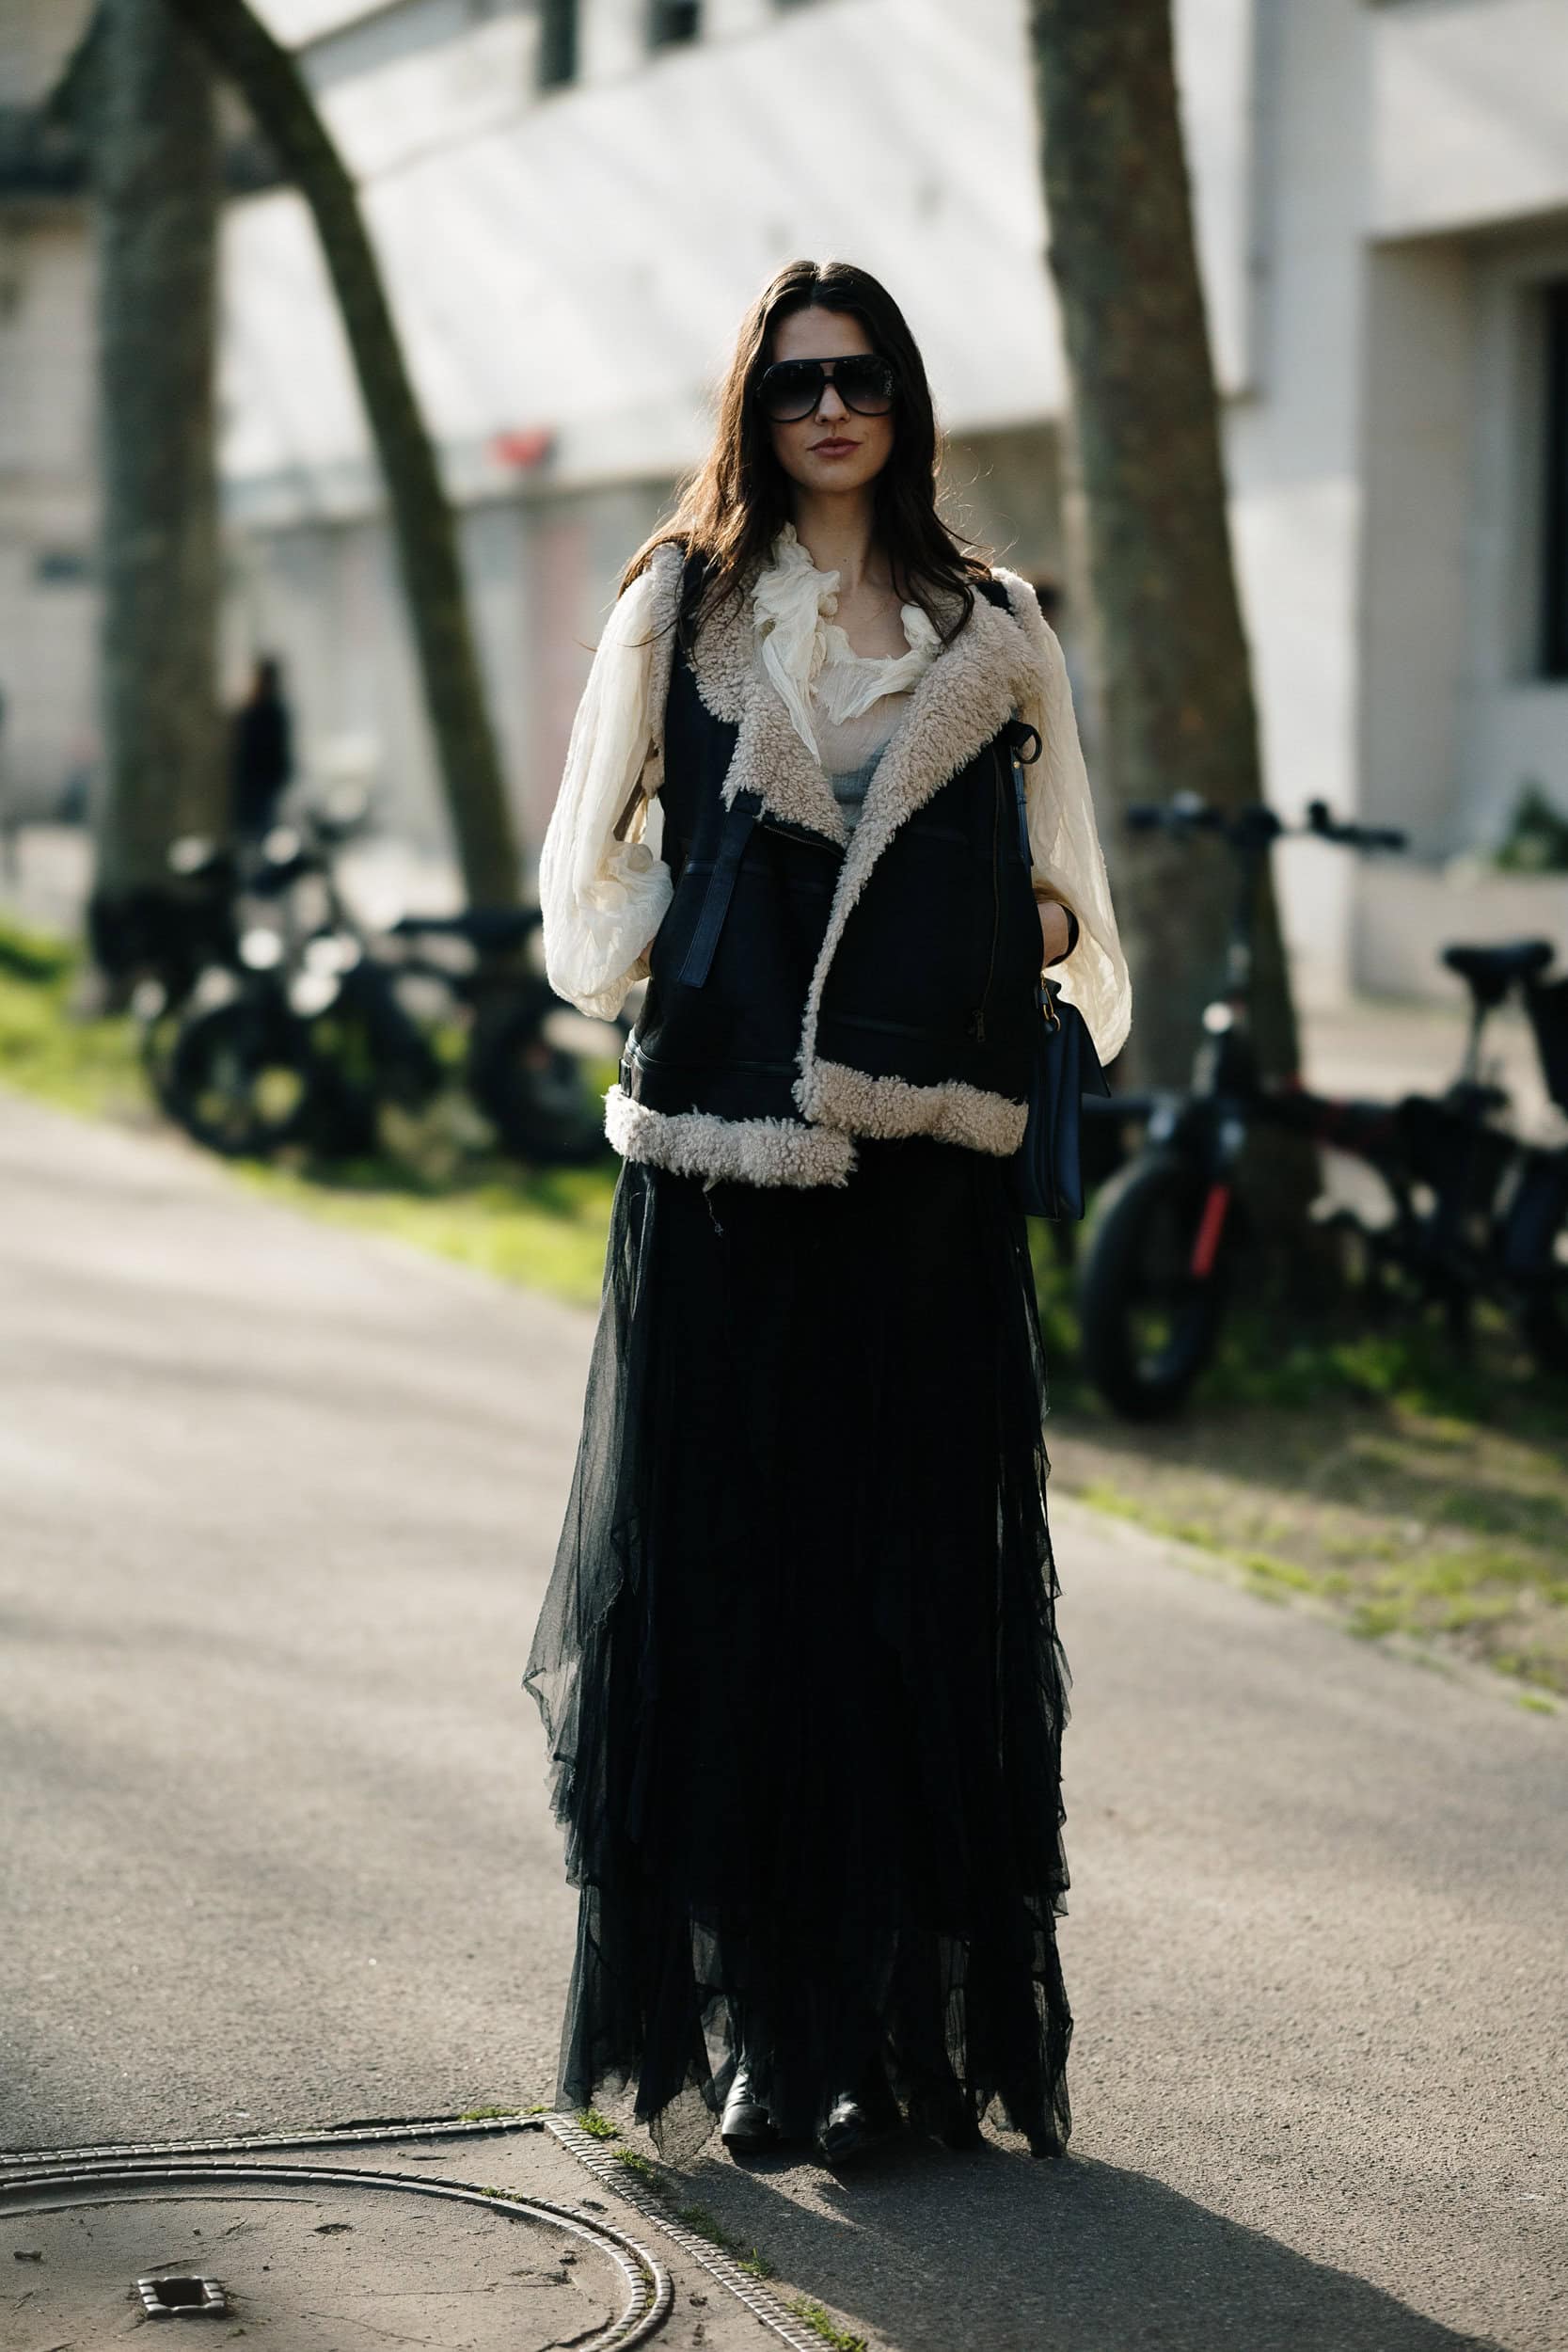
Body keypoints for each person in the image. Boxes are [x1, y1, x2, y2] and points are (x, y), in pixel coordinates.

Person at [524, 258, 1132, 2173]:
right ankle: (755, 2037)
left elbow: (1072, 898)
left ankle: (876, 2043)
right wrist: (711, 947)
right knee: (733, 1601)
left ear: (905, 398)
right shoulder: (677, 603)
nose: (830, 409)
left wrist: (996, 929)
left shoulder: (994, 623)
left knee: (903, 1606)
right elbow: (581, 894)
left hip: (924, 1188)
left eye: (859, 376)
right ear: (751, 407)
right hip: (725, 1174)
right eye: (793, 382)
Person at [230, 656, 293, 843]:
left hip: (260, 781)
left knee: (259, 829)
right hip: (256, 781)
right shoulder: (258, 710)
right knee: (256, 829)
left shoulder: (265, 711)